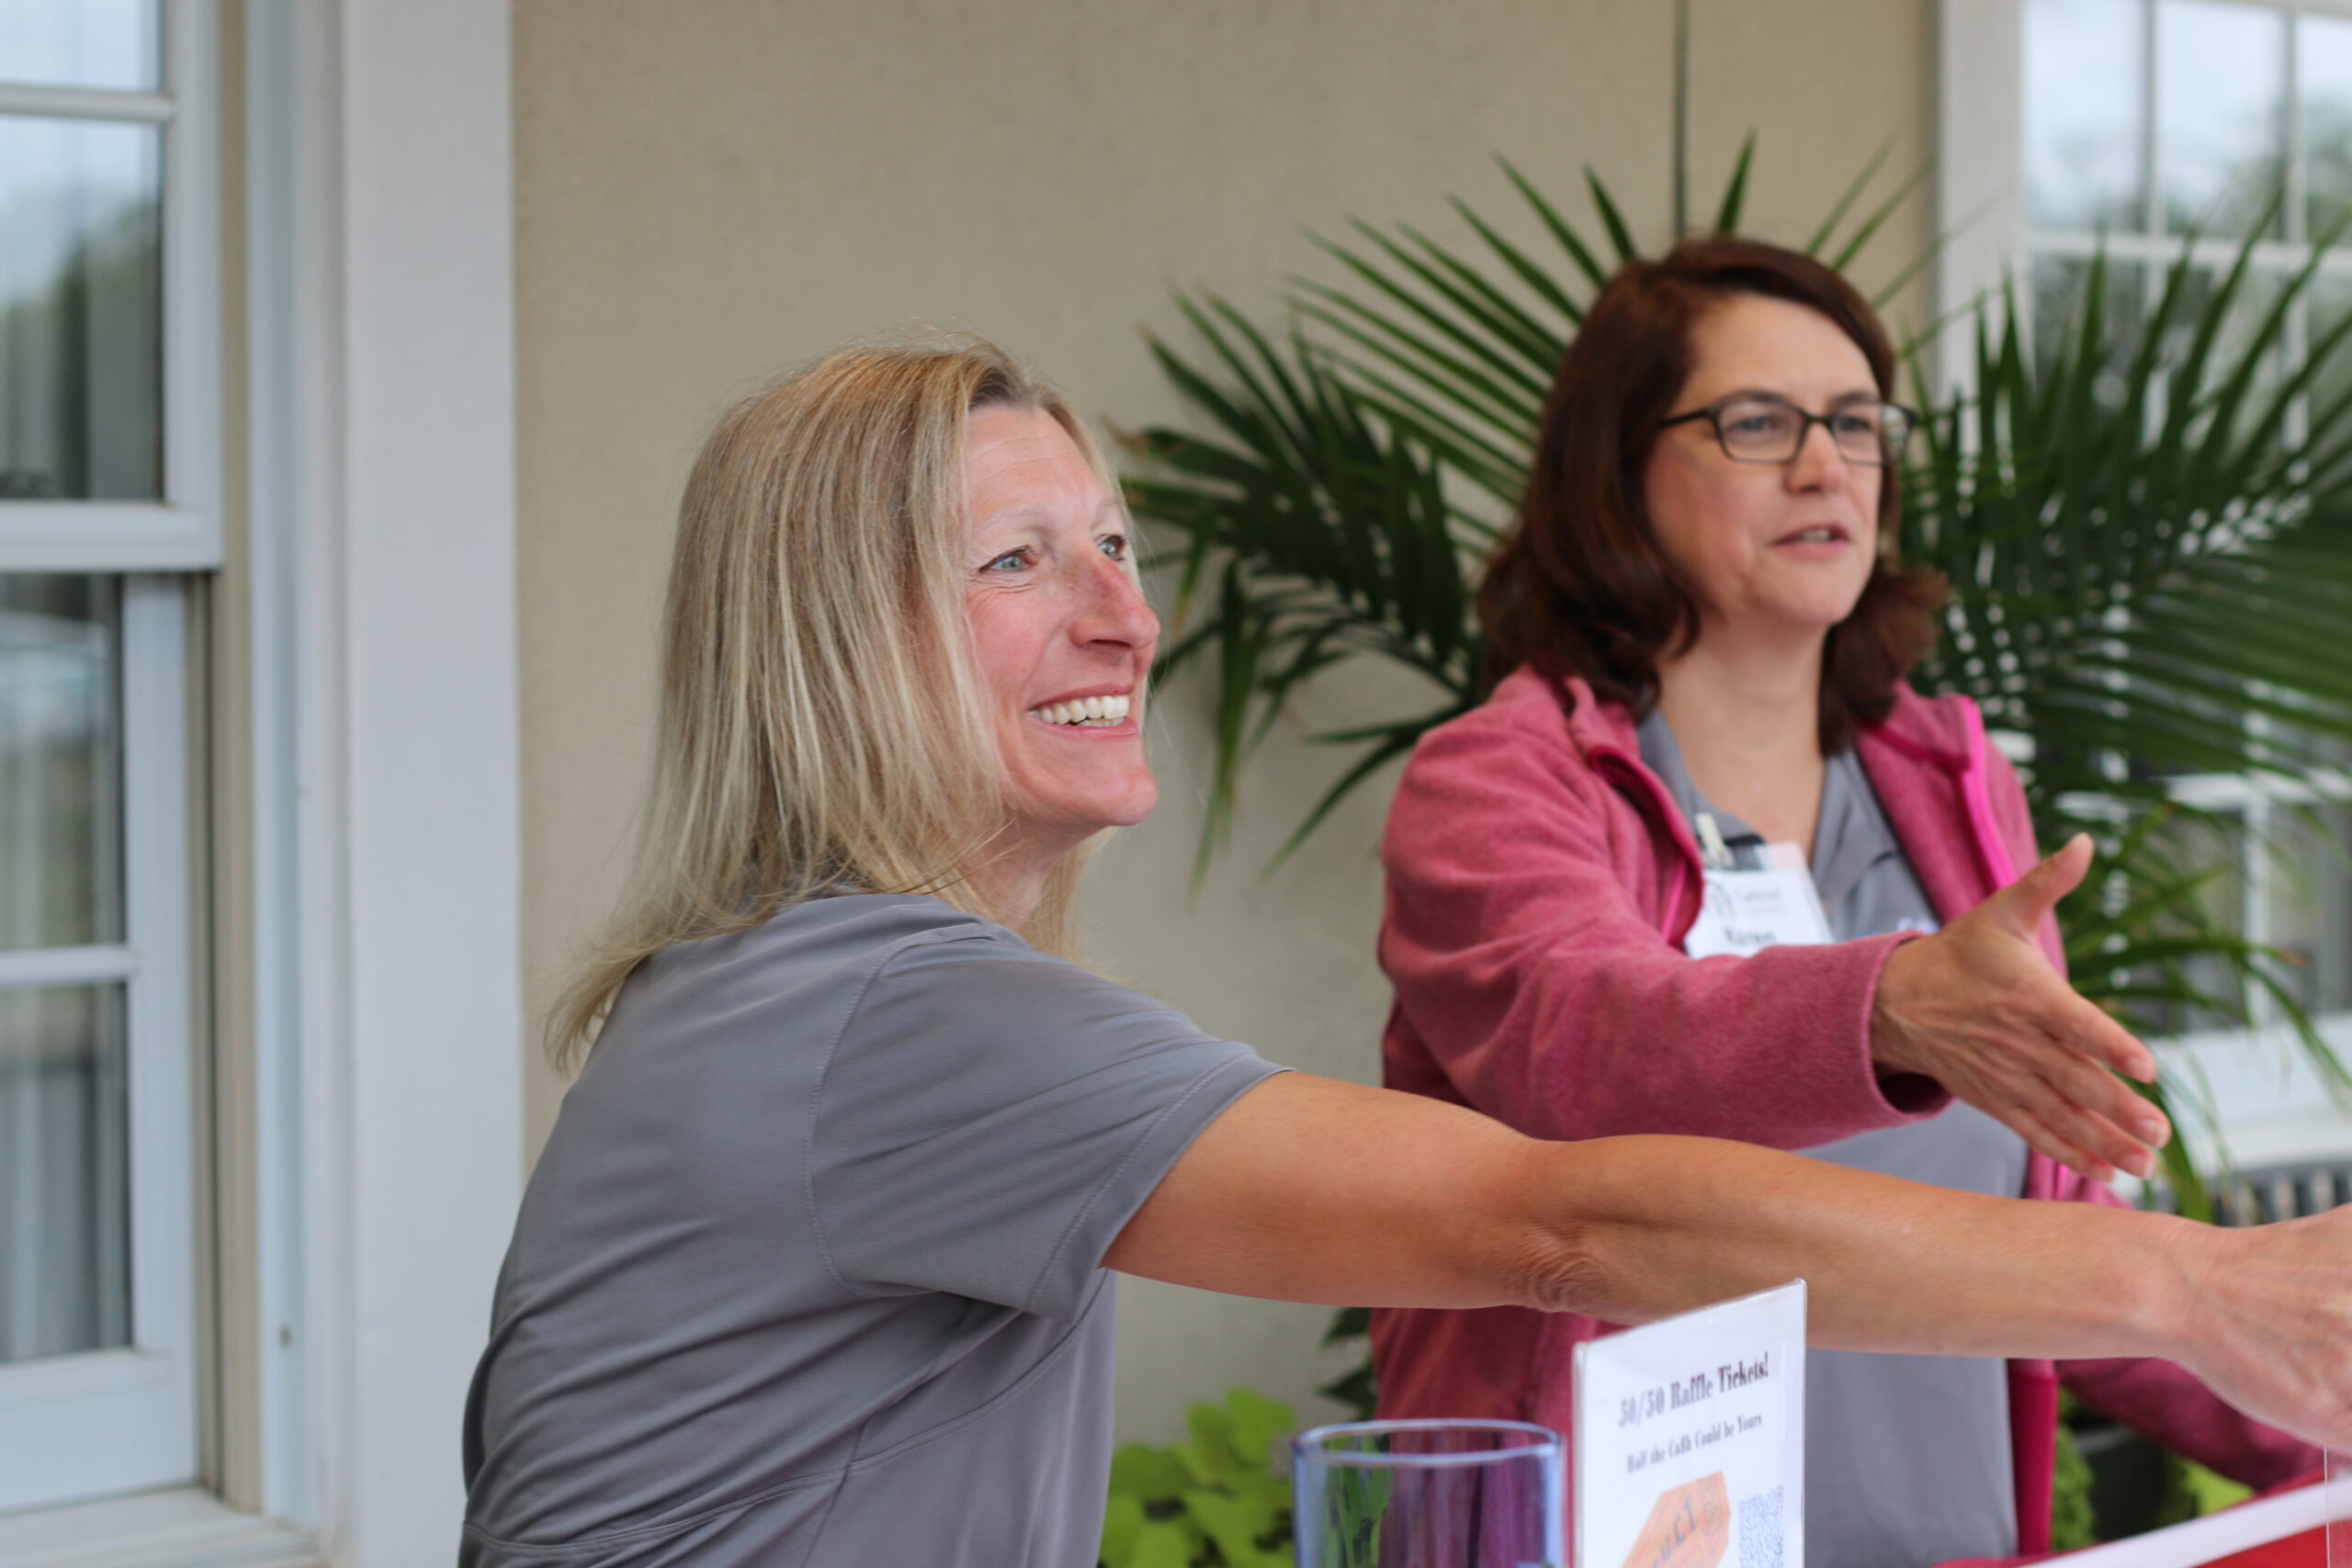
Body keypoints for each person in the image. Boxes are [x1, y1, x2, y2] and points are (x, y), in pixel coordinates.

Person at [460, 333, 2352, 1568]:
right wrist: (2193, 1282)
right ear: (828, 636)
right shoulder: (890, 1011)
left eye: (1117, 547)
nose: (1124, 613)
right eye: (1018, 560)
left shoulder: (799, 984)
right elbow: (1562, 1212)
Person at [1373, 236, 2324, 1568]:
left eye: (1858, 422)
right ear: (1619, 469)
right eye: (1756, 423)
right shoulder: (1499, 777)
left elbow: (2048, 1227)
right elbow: (1579, 1043)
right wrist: (1887, 1008)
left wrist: (2310, 1404)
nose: (1826, 464)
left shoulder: (1954, 779)